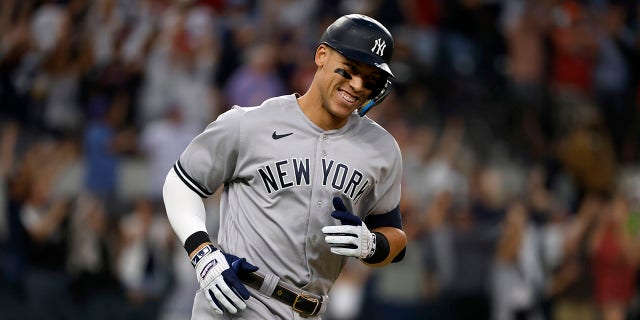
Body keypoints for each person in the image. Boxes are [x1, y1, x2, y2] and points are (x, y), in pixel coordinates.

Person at [162, 14, 407, 319]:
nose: (357, 85)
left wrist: (373, 244)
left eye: (370, 80)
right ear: (321, 55)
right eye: (350, 70)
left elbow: (396, 236)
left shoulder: (381, 148)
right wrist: (202, 252)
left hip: (311, 310)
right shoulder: (250, 123)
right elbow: (181, 182)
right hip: (238, 301)